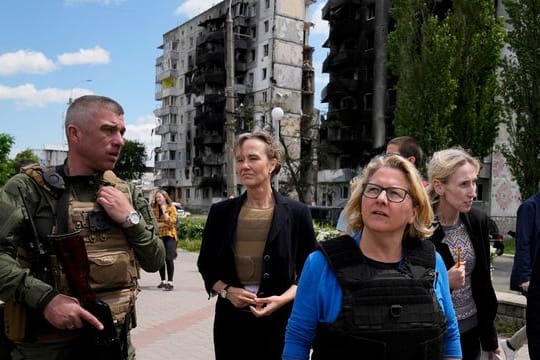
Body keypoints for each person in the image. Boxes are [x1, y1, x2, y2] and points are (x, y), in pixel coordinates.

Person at [0, 95, 165, 360]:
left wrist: (130, 218)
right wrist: (45, 299)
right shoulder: (27, 189)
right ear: (74, 133)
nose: (119, 140)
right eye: (108, 130)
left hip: (113, 342)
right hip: (46, 347)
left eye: (121, 132)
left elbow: (155, 260)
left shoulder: (127, 191)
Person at [283, 154, 461, 360]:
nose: (381, 199)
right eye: (373, 190)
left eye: (394, 193)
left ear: (414, 211)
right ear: (360, 201)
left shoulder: (432, 262)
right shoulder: (321, 264)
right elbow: (297, 340)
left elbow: (450, 335)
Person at [197, 130, 318, 360]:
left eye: (253, 158)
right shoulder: (221, 213)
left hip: (281, 322)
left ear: (272, 164)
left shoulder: (296, 213)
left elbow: (309, 272)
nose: (244, 165)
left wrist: (282, 299)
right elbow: (206, 264)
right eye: (240, 160)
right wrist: (227, 291)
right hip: (231, 325)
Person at [426, 148, 501, 360]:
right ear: (440, 186)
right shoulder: (419, 227)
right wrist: (442, 281)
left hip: (471, 330)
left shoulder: (477, 221)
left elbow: (483, 282)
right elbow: (407, 283)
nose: (473, 192)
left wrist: (490, 340)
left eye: (474, 182)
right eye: (464, 184)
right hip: (435, 332)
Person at [509, 190, 540, 359]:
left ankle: (512, 344)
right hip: (533, 279)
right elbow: (523, 244)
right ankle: (512, 344)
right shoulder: (529, 207)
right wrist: (526, 277)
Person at [152, 190, 178, 291]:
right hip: (159, 235)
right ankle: (163, 281)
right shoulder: (154, 209)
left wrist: (164, 211)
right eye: (157, 197)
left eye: (160, 197)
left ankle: (170, 282)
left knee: (168, 258)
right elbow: (153, 222)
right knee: (160, 258)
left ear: (165, 197)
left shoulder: (171, 208)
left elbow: (172, 222)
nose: (158, 199)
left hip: (170, 235)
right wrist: (163, 224)